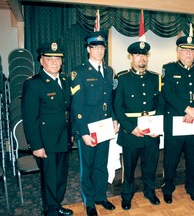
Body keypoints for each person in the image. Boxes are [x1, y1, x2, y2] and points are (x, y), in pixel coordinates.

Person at [21, 41, 73, 216]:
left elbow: (68, 110)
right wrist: (36, 145)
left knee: (61, 177)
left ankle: (56, 205)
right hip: (46, 140)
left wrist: (71, 134)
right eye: (49, 58)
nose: (54, 62)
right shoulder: (34, 83)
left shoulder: (65, 80)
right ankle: (50, 211)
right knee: (49, 178)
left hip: (63, 137)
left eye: (57, 59)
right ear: (41, 61)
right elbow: (29, 118)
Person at [70, 31, 118, 216]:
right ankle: (89, 201)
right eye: (95, 47)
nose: (99, 50)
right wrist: (83, 133)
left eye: (102, 47)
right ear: (88, 49)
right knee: (87, 166)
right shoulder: (79, 72)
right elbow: (77, 106)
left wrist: (114, 119)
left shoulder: (108, 71)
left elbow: (110, 100)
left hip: (105, 126)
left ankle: (100, 196)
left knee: (101, 164)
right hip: (88, 129)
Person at [161, 33, 194, 203]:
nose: (188, 54)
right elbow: (167, 93)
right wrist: (187, 109)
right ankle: (167, 188)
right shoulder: (169, 68)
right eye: (184, 50)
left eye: (192, 51)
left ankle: (192, 188)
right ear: (178, 51)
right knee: (171, 159)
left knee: (193, 159)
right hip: (175, 122)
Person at [113, 41, 164, 210]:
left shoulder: (155, 78)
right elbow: (117, 108)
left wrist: (158, 127)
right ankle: (127, 195)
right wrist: (130, 128)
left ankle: (150, 192)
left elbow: (161, 105)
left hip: (152, 132)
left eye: (144, 55)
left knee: (150, 165)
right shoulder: (122, 78)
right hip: (131, 132)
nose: (141, 58)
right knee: (129, 168)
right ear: (131, 57)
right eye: (137, 55)